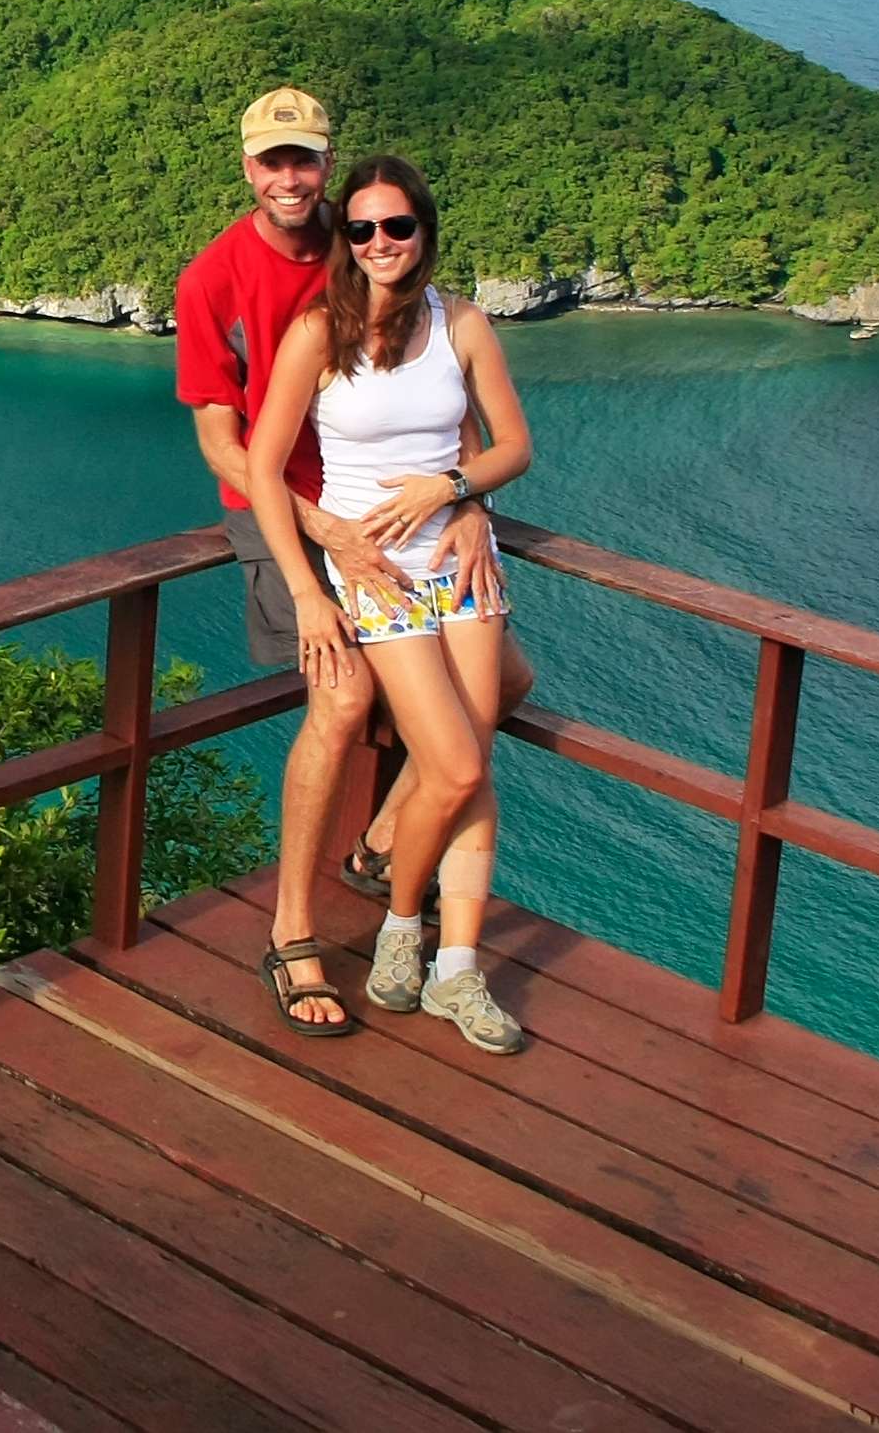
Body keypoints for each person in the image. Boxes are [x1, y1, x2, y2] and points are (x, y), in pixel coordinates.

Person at [174, 91, 506, 1038]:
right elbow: (220, 439)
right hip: (281, 509)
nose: (290, 179)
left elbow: (443, 392)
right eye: (271, 162)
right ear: (247, 168)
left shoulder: (364, 235)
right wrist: (319, 539)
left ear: (327, 165)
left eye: (304, 161)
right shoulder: (213, 280)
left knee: (506, 681)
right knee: (346, 697)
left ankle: (381, 838)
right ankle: (290, 931)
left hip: (391, 517)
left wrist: (466, 497)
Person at [245, 156, 536, 1054]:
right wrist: (307, 589)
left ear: (423, 233)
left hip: (454, 556)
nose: (378, 244)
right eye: (362, 229)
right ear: (344, 239)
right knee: (448, 766)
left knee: (472, 758)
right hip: (374, 572)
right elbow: (261, 467)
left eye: (396, 227)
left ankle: (451, 966)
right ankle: (400, 921)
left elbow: (512, 445)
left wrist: (461, 493)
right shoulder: (315, 335)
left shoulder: (465, 325)